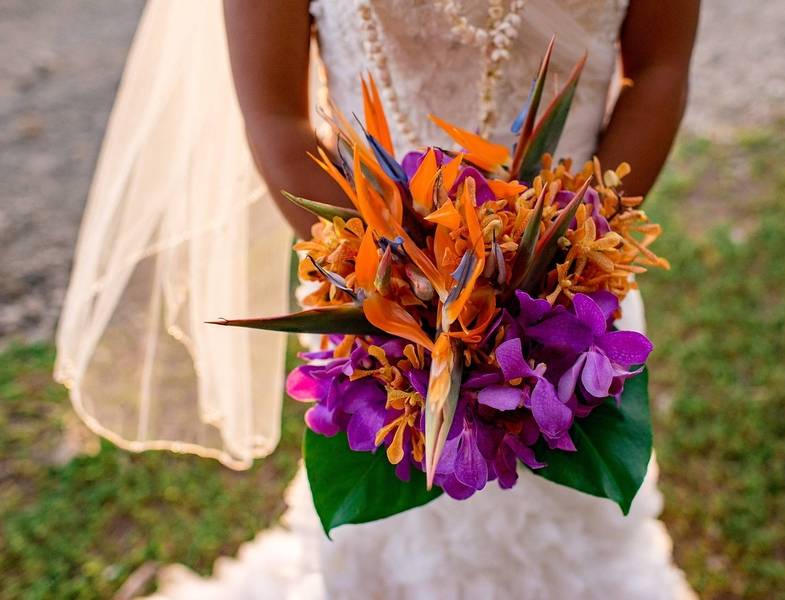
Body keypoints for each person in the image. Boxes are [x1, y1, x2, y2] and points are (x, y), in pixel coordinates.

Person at [58, 1, 700, 598]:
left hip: (571, 306)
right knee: (380, 556)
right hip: (380, 320)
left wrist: (568, 257)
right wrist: (402, 298)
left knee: (582, 546)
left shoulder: (573, 283)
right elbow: (276, 118)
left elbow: (660, 72)